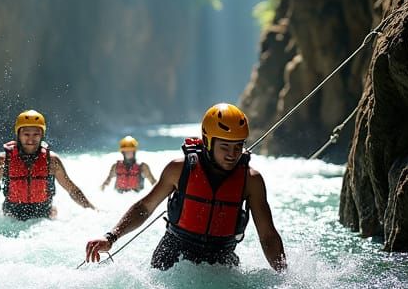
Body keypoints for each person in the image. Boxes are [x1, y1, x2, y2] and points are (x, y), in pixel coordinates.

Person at [85, 104, 286, 272]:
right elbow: (144, 207)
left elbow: (267, 235)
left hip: (221, 260)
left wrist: (283, 276)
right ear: (208, 141)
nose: (232, 154)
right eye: (224, 147)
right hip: (173, 256)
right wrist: (111, 237)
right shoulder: (179, 169)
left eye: (238, 146)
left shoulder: (251, 180)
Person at [0, 109, 95, 219]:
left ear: (42, 135)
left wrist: (93, 210)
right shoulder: (3, 161)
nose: (31, 139)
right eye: (26, 134)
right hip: (12, 215)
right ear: (18, 134)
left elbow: (72, 190)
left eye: (36, 134)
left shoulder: (52, 161)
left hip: (43, 214)